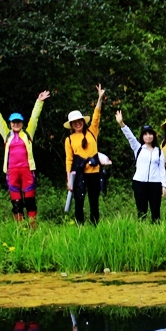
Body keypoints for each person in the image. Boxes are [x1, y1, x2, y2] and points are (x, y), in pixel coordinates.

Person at [0, 89, 50, 225]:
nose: (16, 124)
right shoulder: (7, 135)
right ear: (10, 123)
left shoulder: (28, 134)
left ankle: (32, 226)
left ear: (22, 123)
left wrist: (39, 101)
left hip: (27, 171)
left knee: (30, 200)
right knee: (16, 202)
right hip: (12, 172)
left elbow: (34, 118)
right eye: (13, 122)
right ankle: (19, 227)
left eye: (18, 122)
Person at [64, 85, 105, 226]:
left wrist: (100, 98)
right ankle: (79, 226)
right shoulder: (69, 139)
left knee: (94, 200)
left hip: (94, 172)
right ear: (71, 125)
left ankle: (95, 225)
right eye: (74, 122)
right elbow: (69, 160)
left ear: (83, 121)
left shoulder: (92, 131)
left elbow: (96, 116)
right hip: (78, 173)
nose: (77, 124)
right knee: (79, 201)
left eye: (79, 121)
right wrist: (69, 179)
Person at [115, 110, 166, 221]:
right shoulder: (138, 147)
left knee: (156, 212)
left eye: (150, 134)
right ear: (142, 136)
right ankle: (141, 233)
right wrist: (121, 123)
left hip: (155, 184)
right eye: (145, 134)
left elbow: (162, 169)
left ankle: (156, 233)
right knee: (141, 211)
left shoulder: (158, 151)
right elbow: (130, 136)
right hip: (139, 183)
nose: (148, 136)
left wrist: (164, 185)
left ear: (154, 136)